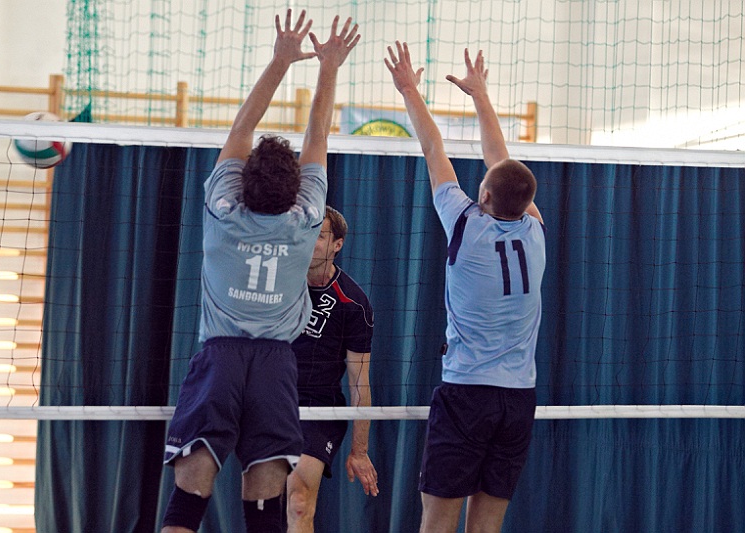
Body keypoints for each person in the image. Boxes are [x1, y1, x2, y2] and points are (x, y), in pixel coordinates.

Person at [161, 10, 360, 533]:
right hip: (276, 365)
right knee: (267, 512)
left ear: (243, 181)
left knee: (187, 501)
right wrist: (329, 67)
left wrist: (280, 60)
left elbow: (241, 128)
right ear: (296, 191)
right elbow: (317, 135)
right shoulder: (305, 220)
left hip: (220, 358)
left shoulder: (223, 211)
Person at [385, 42, 546, 533]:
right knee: (487, 524)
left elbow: (434, 149)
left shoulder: (464, 223)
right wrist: (481, 97)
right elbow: (501, 161)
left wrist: (409, 89)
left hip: (467, 394)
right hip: (517, 400)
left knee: (437, 521)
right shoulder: (536, 230)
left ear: (485, 194)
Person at [286, 206, 379, 533]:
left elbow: (359, 381)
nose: (310, 241)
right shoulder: (277, 284)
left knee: (298, 501)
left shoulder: (353, 303)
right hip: (271, 402)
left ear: (337, 244)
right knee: (263, 503)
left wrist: (360, 451)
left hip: (318, 408)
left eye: (320, 235)